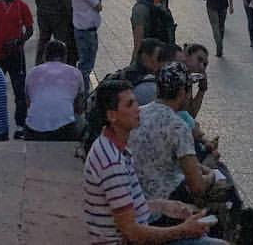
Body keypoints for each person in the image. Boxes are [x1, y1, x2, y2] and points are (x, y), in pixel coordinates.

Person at [83, 78, 219, 244]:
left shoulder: (114, 147)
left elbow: (125, 210)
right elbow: (132, 233)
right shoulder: (112, 163)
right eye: (129, 105)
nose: (137, 109)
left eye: (135, 102)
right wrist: (184, 230)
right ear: (112, 116)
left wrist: (161, 206)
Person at [129, 64, 224, 207]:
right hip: (163, 206)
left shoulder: (137, 114)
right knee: (223, 190)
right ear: (181, 93)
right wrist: (212, 176)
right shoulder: (178, 127)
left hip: (132, 197)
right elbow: (197, 187)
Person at [0, 0, 34, 133]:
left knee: (19, 90)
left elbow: (30, 29)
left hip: (16, 55)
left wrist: (19, 41)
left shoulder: (22, 6)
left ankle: (20, 124)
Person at [24, 38, 85, 141]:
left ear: (44, 56)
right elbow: (79, 107)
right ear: (65, 56)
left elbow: (28, 103)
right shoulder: (75, 73)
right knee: (81, 120)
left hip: (33, 130)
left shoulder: (32, 73)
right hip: (64, 130)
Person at [74, 0, 104, 85]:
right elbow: (98, 6)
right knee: (86, 65)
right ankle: (84, 91)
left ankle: (83, 88)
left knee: (86, 64)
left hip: (85, 30)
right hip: (86, 32)